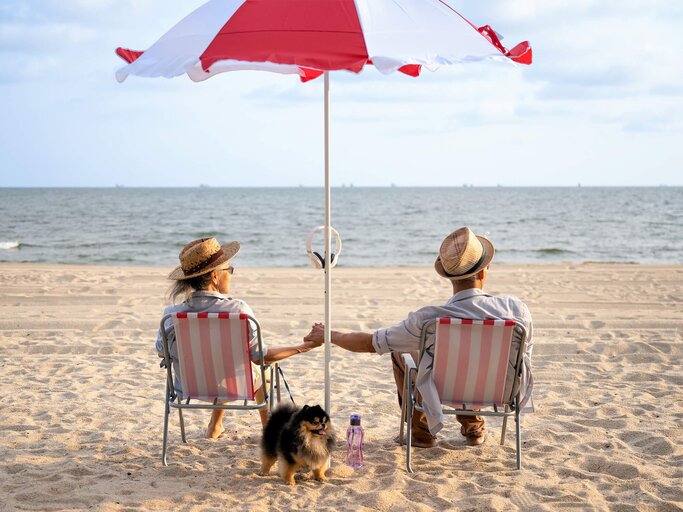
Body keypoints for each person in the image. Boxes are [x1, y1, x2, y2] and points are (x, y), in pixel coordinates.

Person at [304, 227, 533, 448]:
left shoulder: (428, 319)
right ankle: (474, 429)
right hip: (497, 390)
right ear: (483, 272)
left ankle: (422, 434)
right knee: (479, 356)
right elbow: (525, 357)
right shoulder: (516, 310)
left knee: (399, 352)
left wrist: (328, 334)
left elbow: (371, 343)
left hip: (444, 390)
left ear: (448, 277)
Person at [156, 237, 321, 439]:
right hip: (235, 385)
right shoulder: (238, 310)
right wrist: (303, 347)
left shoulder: (171, 316)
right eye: (229, 270)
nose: (230, 275)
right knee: (260, 367)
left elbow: (161, 351)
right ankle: (268, 427)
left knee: (218, 357)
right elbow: (261, 356)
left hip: (189, 387)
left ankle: (215, 426)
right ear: (215, 276)